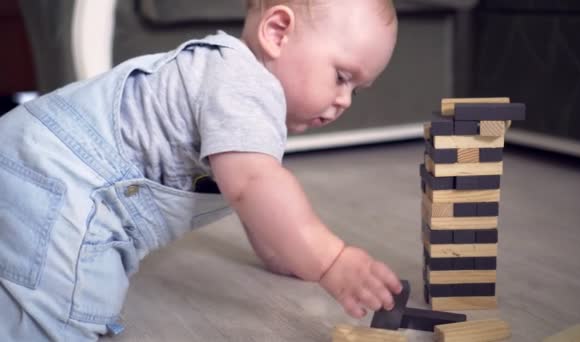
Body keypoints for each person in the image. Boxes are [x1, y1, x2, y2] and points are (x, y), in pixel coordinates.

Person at [0, 0, 403, 340]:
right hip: (65, 183)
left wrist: (284, 252)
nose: (344, 100)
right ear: (277, 32)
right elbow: (252, 186)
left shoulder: (232, 85)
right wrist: (330, 260)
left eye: (355, 89)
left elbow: (251, 201)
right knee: (63, 309)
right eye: (341, 77)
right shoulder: (242, 84)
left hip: (30, 155)